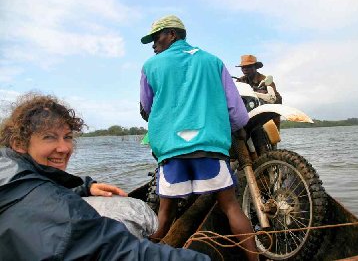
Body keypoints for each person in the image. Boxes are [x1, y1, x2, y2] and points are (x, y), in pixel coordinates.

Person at [0, 92, 210, 261]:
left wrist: (83, 187)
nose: (64, 148)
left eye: (68, 137)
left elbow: (33, 188)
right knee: (133, 212)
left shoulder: (8, 167)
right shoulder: (60, 211)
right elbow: (119, 251)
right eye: (49, 137)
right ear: (18, 143)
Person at [140, 15, 258, 261]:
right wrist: (234, 129)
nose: (153, 44)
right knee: (230, 207)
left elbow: (148, 108)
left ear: (172, 34)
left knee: (164, 215)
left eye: (156, 37)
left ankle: (140, 254)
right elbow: (237, 112)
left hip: (171, 151)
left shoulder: (150, 67)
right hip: (210, 149)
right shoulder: (213, 61)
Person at [236, 54, 282, 129]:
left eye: (248, 66)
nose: (245, 69)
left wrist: (263, 94)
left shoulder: (265, 80)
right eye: (243, 67)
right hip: (247, 118)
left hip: (266, 119)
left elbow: (278, 100)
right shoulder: (240, 81)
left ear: (255, 67)